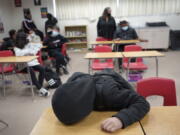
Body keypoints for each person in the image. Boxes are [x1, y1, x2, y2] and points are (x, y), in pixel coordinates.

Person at [52, 69, 150, 133]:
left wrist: (120, 119)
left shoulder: (111, 94)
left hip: (111, 77)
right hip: (94, 78)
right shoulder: (73, 81)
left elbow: (142, 102)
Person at [14, 31, 50, 97]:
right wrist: (28, 51)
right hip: (22, 65)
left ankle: (39, 86)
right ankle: (40, 89)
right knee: (31, 71)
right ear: (22, 39)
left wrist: (27, 51)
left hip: (32, 62)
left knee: (42, 69)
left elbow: (34, 51)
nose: (27, 38)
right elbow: (18, 54)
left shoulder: (28, 43)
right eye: (26, 37)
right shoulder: (16, 47)